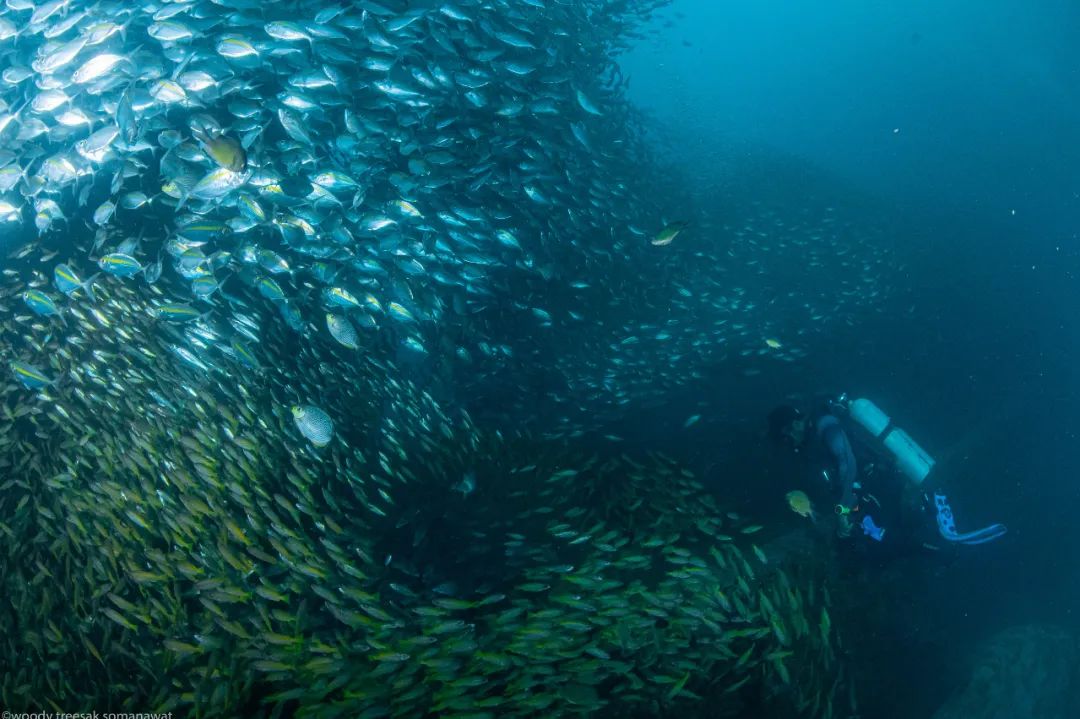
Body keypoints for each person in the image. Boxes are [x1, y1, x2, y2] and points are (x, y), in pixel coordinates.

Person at [768, 394, 1006, 556]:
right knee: (887, 533)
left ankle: (943, 539)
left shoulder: (825, 425)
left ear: (793, 425)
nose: (789, 444)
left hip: (883, 481)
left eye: (785, 438)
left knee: (890, 535)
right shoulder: (814, 441)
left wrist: (842, 511)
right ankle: (940, 539)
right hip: (872, 488)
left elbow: (847, 464)